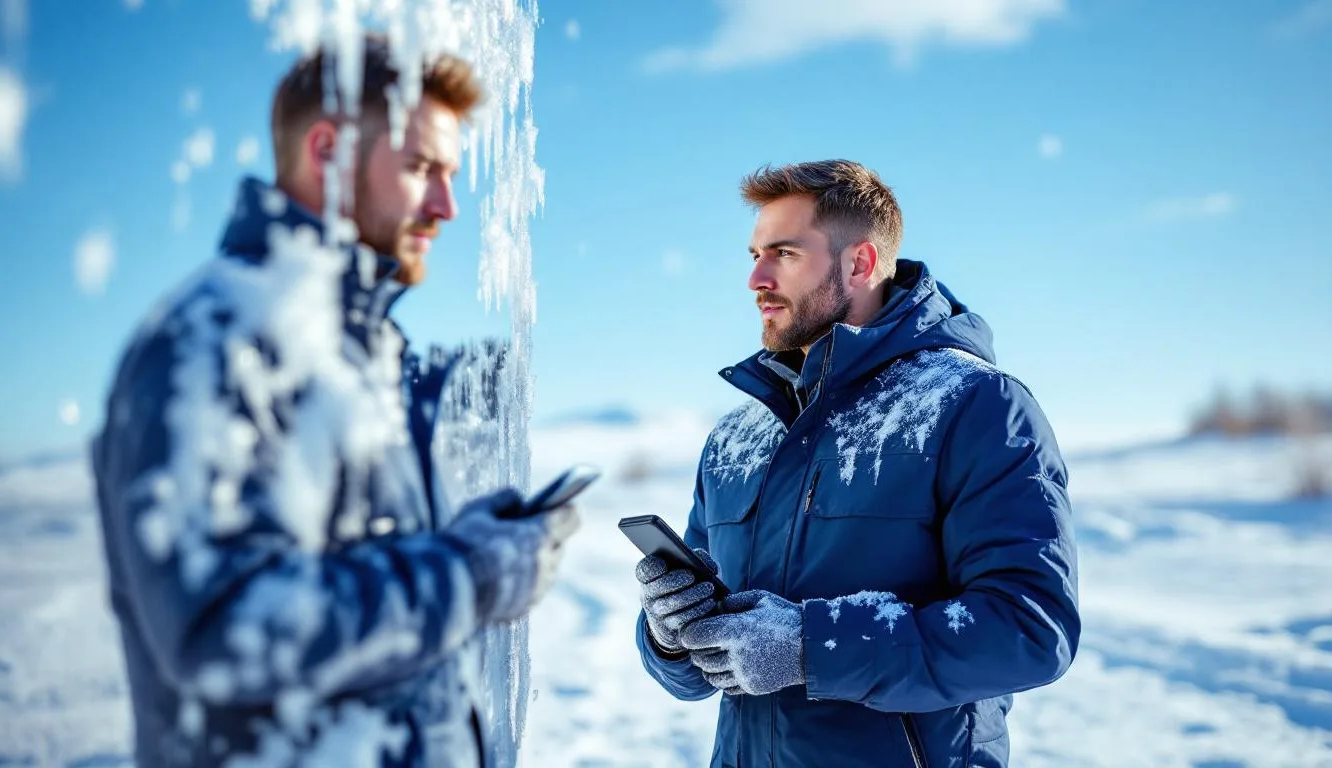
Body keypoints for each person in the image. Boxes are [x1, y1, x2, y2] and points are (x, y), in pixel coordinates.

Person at [90, 34, 577, 766]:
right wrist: (469, 575)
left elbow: (342, 574)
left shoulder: (351, 350)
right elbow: (220, 628)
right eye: (421, 169)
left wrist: (453, 543)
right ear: (328, 151)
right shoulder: (218, 340)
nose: (446, 204)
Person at [634, 160, 1079, 767]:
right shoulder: (738, 436)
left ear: (860, 264)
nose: (755, 278)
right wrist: (672, 633)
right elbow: (694, 675)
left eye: (784, 253)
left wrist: (811, 646)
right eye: (755, 253)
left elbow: (1030, 629)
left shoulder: (974, 406)